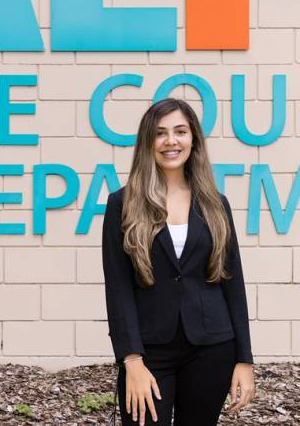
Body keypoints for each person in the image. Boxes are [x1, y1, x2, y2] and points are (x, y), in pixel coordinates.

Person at [101, 98, 255, 425]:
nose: (171, 141)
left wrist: (244, 360)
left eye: (180, 132)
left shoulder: (216, 204)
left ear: (193, 139)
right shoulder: (122, 204)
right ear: (148, 142)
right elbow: (118, 289)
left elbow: (233, 283)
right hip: (149, 352)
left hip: (211, 348)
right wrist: (132, 360)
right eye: (160, 133)